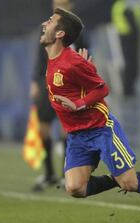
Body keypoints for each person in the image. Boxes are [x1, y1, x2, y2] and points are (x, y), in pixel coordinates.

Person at [39, 7, 140, 198]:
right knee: (75, 188)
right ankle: (115, 179)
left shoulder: (72, 62)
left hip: (100, 129)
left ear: (59, 33)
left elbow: (102, 89)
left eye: (49, 21)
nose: (44, 24)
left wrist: (78, 104)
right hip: (76, 135)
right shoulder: (54, 60)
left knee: (131, 184)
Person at [31, 0, 88, 192]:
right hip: (47, 84)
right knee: (43, 129)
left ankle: (67, 175)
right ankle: (48, 173)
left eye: (63, 3)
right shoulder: (48, 28)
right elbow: (40, 56)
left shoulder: (77, 30)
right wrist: (34, 82)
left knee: (67, 131)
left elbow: (86, 53)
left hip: (69, 86)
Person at [111, 0, 140, 97]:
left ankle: (130, 89)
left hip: (134, 37)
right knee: (128, 64)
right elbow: (119, 22)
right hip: (125, 38)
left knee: (134, 64)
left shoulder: (134, 5)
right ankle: (127, 90)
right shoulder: (121, 5)